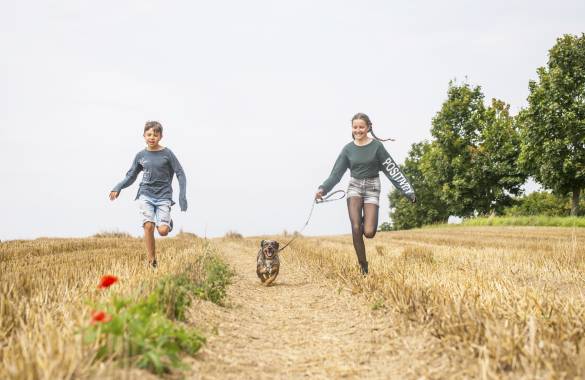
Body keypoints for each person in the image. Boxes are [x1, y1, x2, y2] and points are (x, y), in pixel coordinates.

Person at [315, 113, 416, 275]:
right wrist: (323, 189)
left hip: (372, 187)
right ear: (352, 128)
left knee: (369, 232)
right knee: (355, 227)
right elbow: (336, 174)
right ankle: (363, 266)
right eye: (355, 127)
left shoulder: (377, 147)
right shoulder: (348, 149)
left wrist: (408, 191)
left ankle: (365, 221)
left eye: (361, 127)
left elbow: (392, 170)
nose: (358, 130)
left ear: (368, 127)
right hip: (354, 187)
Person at [109, 121, 187, 268]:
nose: (152, 137)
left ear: (161, 136)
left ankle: (167, 223)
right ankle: (152, 261)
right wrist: (118, 187)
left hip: (164, 195)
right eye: (149, 134)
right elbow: (131, 176)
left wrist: (182, 196)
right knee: (148, 226)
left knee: (163, 231)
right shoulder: (141, 155)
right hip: (146, 194)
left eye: (155, 135)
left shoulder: (167, 154)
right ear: (144, 136)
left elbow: (180, 174)